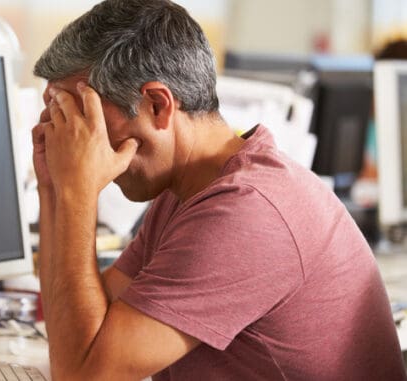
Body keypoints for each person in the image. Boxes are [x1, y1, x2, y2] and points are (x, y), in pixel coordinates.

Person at [31, 0, 405, 380]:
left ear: (157, 105)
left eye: (79, 119)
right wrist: (52, 187)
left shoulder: (246, 210)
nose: (70, 140)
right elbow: (76, 326)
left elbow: (83, 374)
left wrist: (75, 193)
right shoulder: (187, 191)